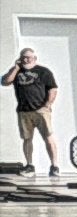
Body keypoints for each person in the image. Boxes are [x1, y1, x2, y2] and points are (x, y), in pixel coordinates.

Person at [8, 44, 56, 182]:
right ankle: (29, 165)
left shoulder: (43, 71)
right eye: (23, 58)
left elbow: (52, 89)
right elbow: (5, 81)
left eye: (29, 57)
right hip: (24, 111)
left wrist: (47, 105)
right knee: (27, 139)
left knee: (48, 137)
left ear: (35, 58)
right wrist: (16, 68)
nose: (26, 60)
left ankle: (54, 166)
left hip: (40, 110)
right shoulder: (17, 72)